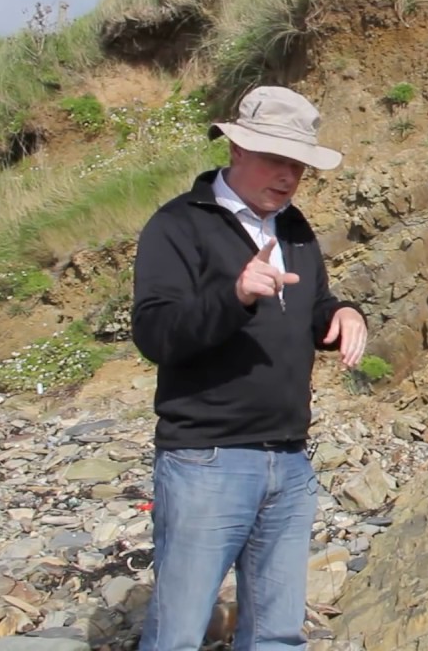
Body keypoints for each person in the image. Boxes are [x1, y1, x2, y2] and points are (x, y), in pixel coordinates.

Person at [130, 85, 368, 651]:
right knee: (178, 635)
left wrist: (343, 313)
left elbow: (310, 309)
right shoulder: (177, 225)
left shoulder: (294, 228)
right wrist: (233, 296)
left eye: (299, 165)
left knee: (277, 635)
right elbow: (155, 334)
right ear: (236, 149)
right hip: (205, 459)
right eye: (275, 159)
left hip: (288, 461)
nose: (288, 176)